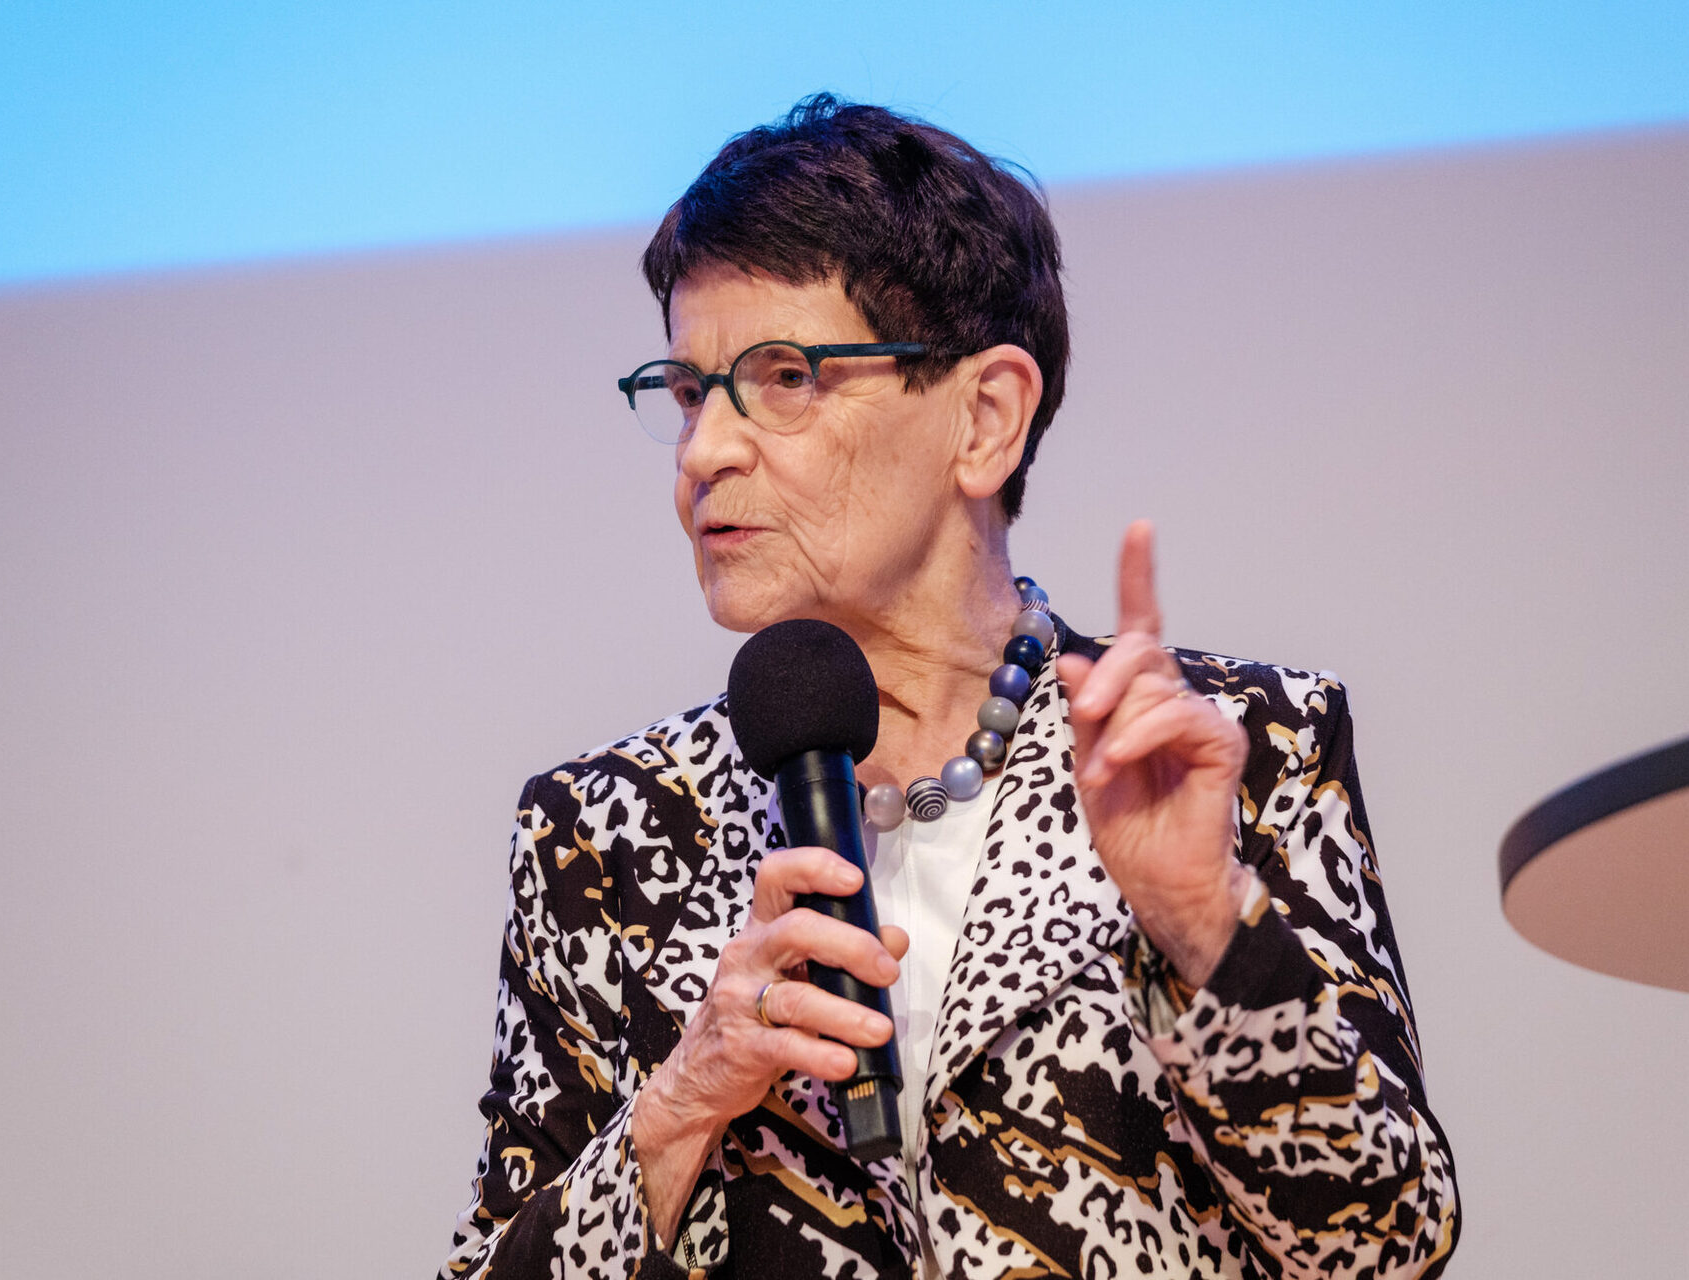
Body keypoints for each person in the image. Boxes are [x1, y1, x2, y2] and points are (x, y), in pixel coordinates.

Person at [440, 94, 1459, 1279]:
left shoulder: (1229, 747)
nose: (705, 450)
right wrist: (681, 1101)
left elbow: (1383, 1247)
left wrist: (1205, 927)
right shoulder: (601, 832)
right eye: (686, 390)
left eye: (784, 375)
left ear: (985, 418)